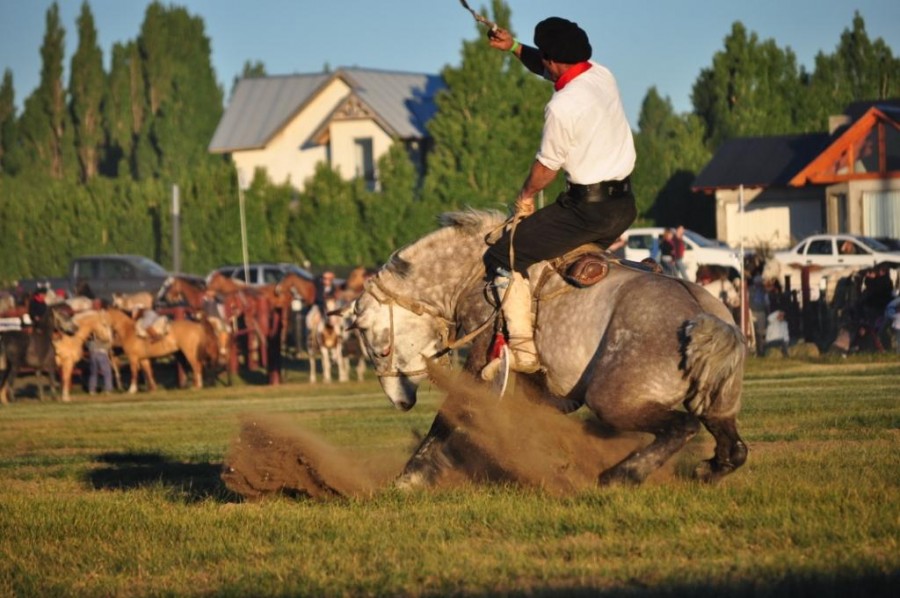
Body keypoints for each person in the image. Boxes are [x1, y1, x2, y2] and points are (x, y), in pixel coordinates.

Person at [482, 17, 636, 375]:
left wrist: (524, 196)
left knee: (502, 254)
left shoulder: (562, 107)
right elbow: (552, 66)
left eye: (545, 60)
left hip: (586, 210)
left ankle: (522, 349)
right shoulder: (601, 74)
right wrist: (514, 48)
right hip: (624, 207)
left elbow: (546, 169)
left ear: (551, 59)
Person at [87, 331, 114, 395]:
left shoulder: (91, 342)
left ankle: (92, 389)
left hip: (93, 355)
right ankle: (108, 389)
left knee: (93, 373)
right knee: (107, 372)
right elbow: (109, 346)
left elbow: (88, 346)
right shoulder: (104, 342)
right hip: (102, 354)